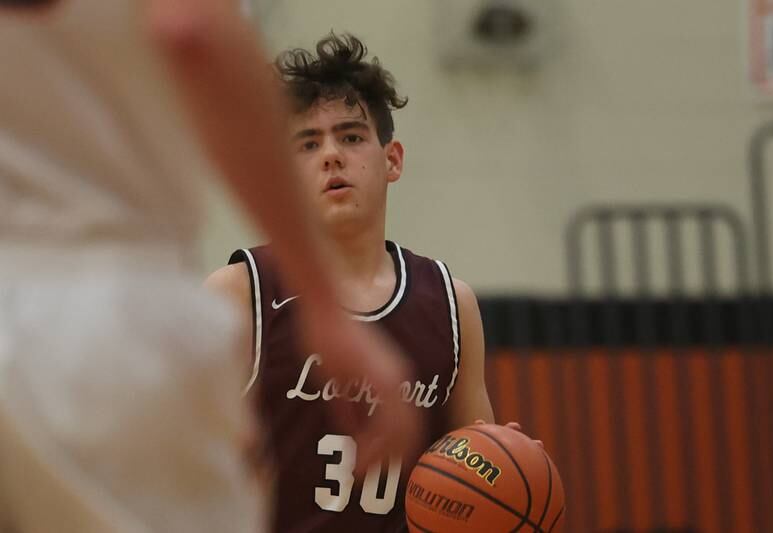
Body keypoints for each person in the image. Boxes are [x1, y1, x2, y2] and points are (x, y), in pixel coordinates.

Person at [0, 2, 417, 532]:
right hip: (108, 311)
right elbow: (191, 29)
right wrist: (323, 303)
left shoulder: (445, 292)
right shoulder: (241, 287)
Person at [206, 32, 495, 532]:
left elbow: (481, 469)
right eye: (308, 143)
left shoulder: (451, 304)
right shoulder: (240, 293)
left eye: (352, 136)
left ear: (393, 160)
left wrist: (507, 467)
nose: (332, 155)